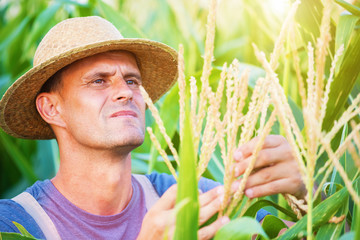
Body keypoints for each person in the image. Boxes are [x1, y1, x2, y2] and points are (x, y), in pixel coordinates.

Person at [0, 16, 305, 239]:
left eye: (132, 80)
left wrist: (306, 194)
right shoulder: (16, 224)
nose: (126, 92)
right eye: (99, 80)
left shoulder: (187, 198)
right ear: (51, 108)